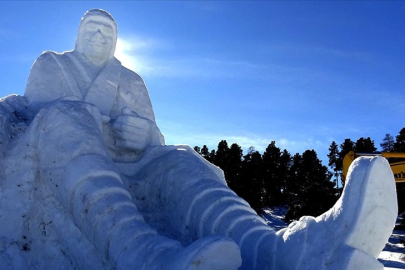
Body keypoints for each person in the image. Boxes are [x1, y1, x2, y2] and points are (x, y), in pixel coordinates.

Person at [16, 8, 397, 270]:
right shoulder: (53, 64)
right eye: (91, 29)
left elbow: (154, 135)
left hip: (135, 165)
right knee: (67, 116)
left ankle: (278, 250)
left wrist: (145, 134)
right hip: (70, 165)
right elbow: (42, 118)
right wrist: (93, 125)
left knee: (181, 160)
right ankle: (141, 253)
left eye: (107, 31)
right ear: (78, 35)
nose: (99, 35)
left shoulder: (130, 79)